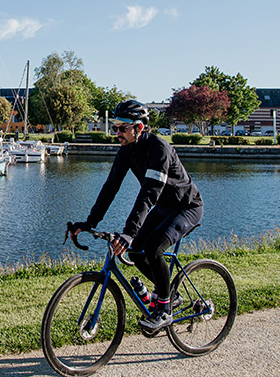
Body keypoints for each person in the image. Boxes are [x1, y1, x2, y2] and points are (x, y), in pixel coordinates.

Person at [70, 99, 203, 332]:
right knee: (136, 251)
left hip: (186, 207)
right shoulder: (126, 151)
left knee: (153, 247)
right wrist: (90, 222)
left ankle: (165, 309)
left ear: (139, 128)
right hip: (163, 207)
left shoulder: (160, 150)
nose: (117, 133)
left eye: (122, 128)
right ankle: (171, 294)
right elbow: (110, 188)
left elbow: (148, 193)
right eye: (115, 127)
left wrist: (129, 232)